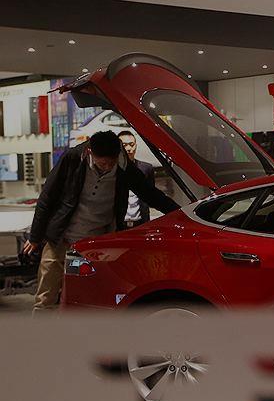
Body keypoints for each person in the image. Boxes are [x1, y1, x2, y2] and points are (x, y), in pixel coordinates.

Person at [23, 131, 180, 313]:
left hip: (94, 243)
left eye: (111, 163)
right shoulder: (73, 158)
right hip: (61, 236)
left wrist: (179, 213)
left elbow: (149, 193)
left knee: (84, 294)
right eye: (102, 163)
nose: (107, 167)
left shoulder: (123, 166)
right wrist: (35, 237)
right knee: (46, 293)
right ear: (90, 152)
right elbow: (47, 197)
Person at [118, 130, 154, 230]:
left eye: (131, 144)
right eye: (124, 145)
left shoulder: (146, 168)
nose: (129, 148)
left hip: (141, 223)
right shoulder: (112, 170)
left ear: (136, 146)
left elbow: (151, 195)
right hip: (118, 224)